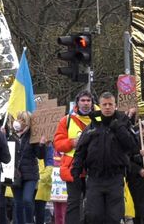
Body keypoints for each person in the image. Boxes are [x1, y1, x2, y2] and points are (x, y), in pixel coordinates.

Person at [71, 92, 136, 224]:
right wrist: (76, 170)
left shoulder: (123, 125)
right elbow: (80, 150)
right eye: (104, 104)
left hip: (115, 178)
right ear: (99, 106)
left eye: (110, 104)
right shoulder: (91, 127)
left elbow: (132, 146)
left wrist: (119, 129)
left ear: (115, 106)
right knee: (94, 216)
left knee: (114, 217)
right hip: (95, 178)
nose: (107, 107)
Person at [53, 89, 96, 224]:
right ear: (77, 102)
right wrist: (72, 142)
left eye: (88, 100)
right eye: (83, 100)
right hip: (73, 168)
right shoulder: (66, 120)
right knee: (73, 203)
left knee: (93, 204)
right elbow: (58, 144)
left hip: (94, 168)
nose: (86, 103)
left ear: (92, 103)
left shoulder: (99, 120)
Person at [10, 111, 46, 224]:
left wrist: (41, 145)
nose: (20, 122)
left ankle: (30, 221)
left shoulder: (33, 136)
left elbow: (40, 155)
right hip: (15, 175)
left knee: (27, 200)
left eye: (23, 120)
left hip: (30, 174)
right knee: (18, 203)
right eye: (19, 119)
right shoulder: (11, 135)